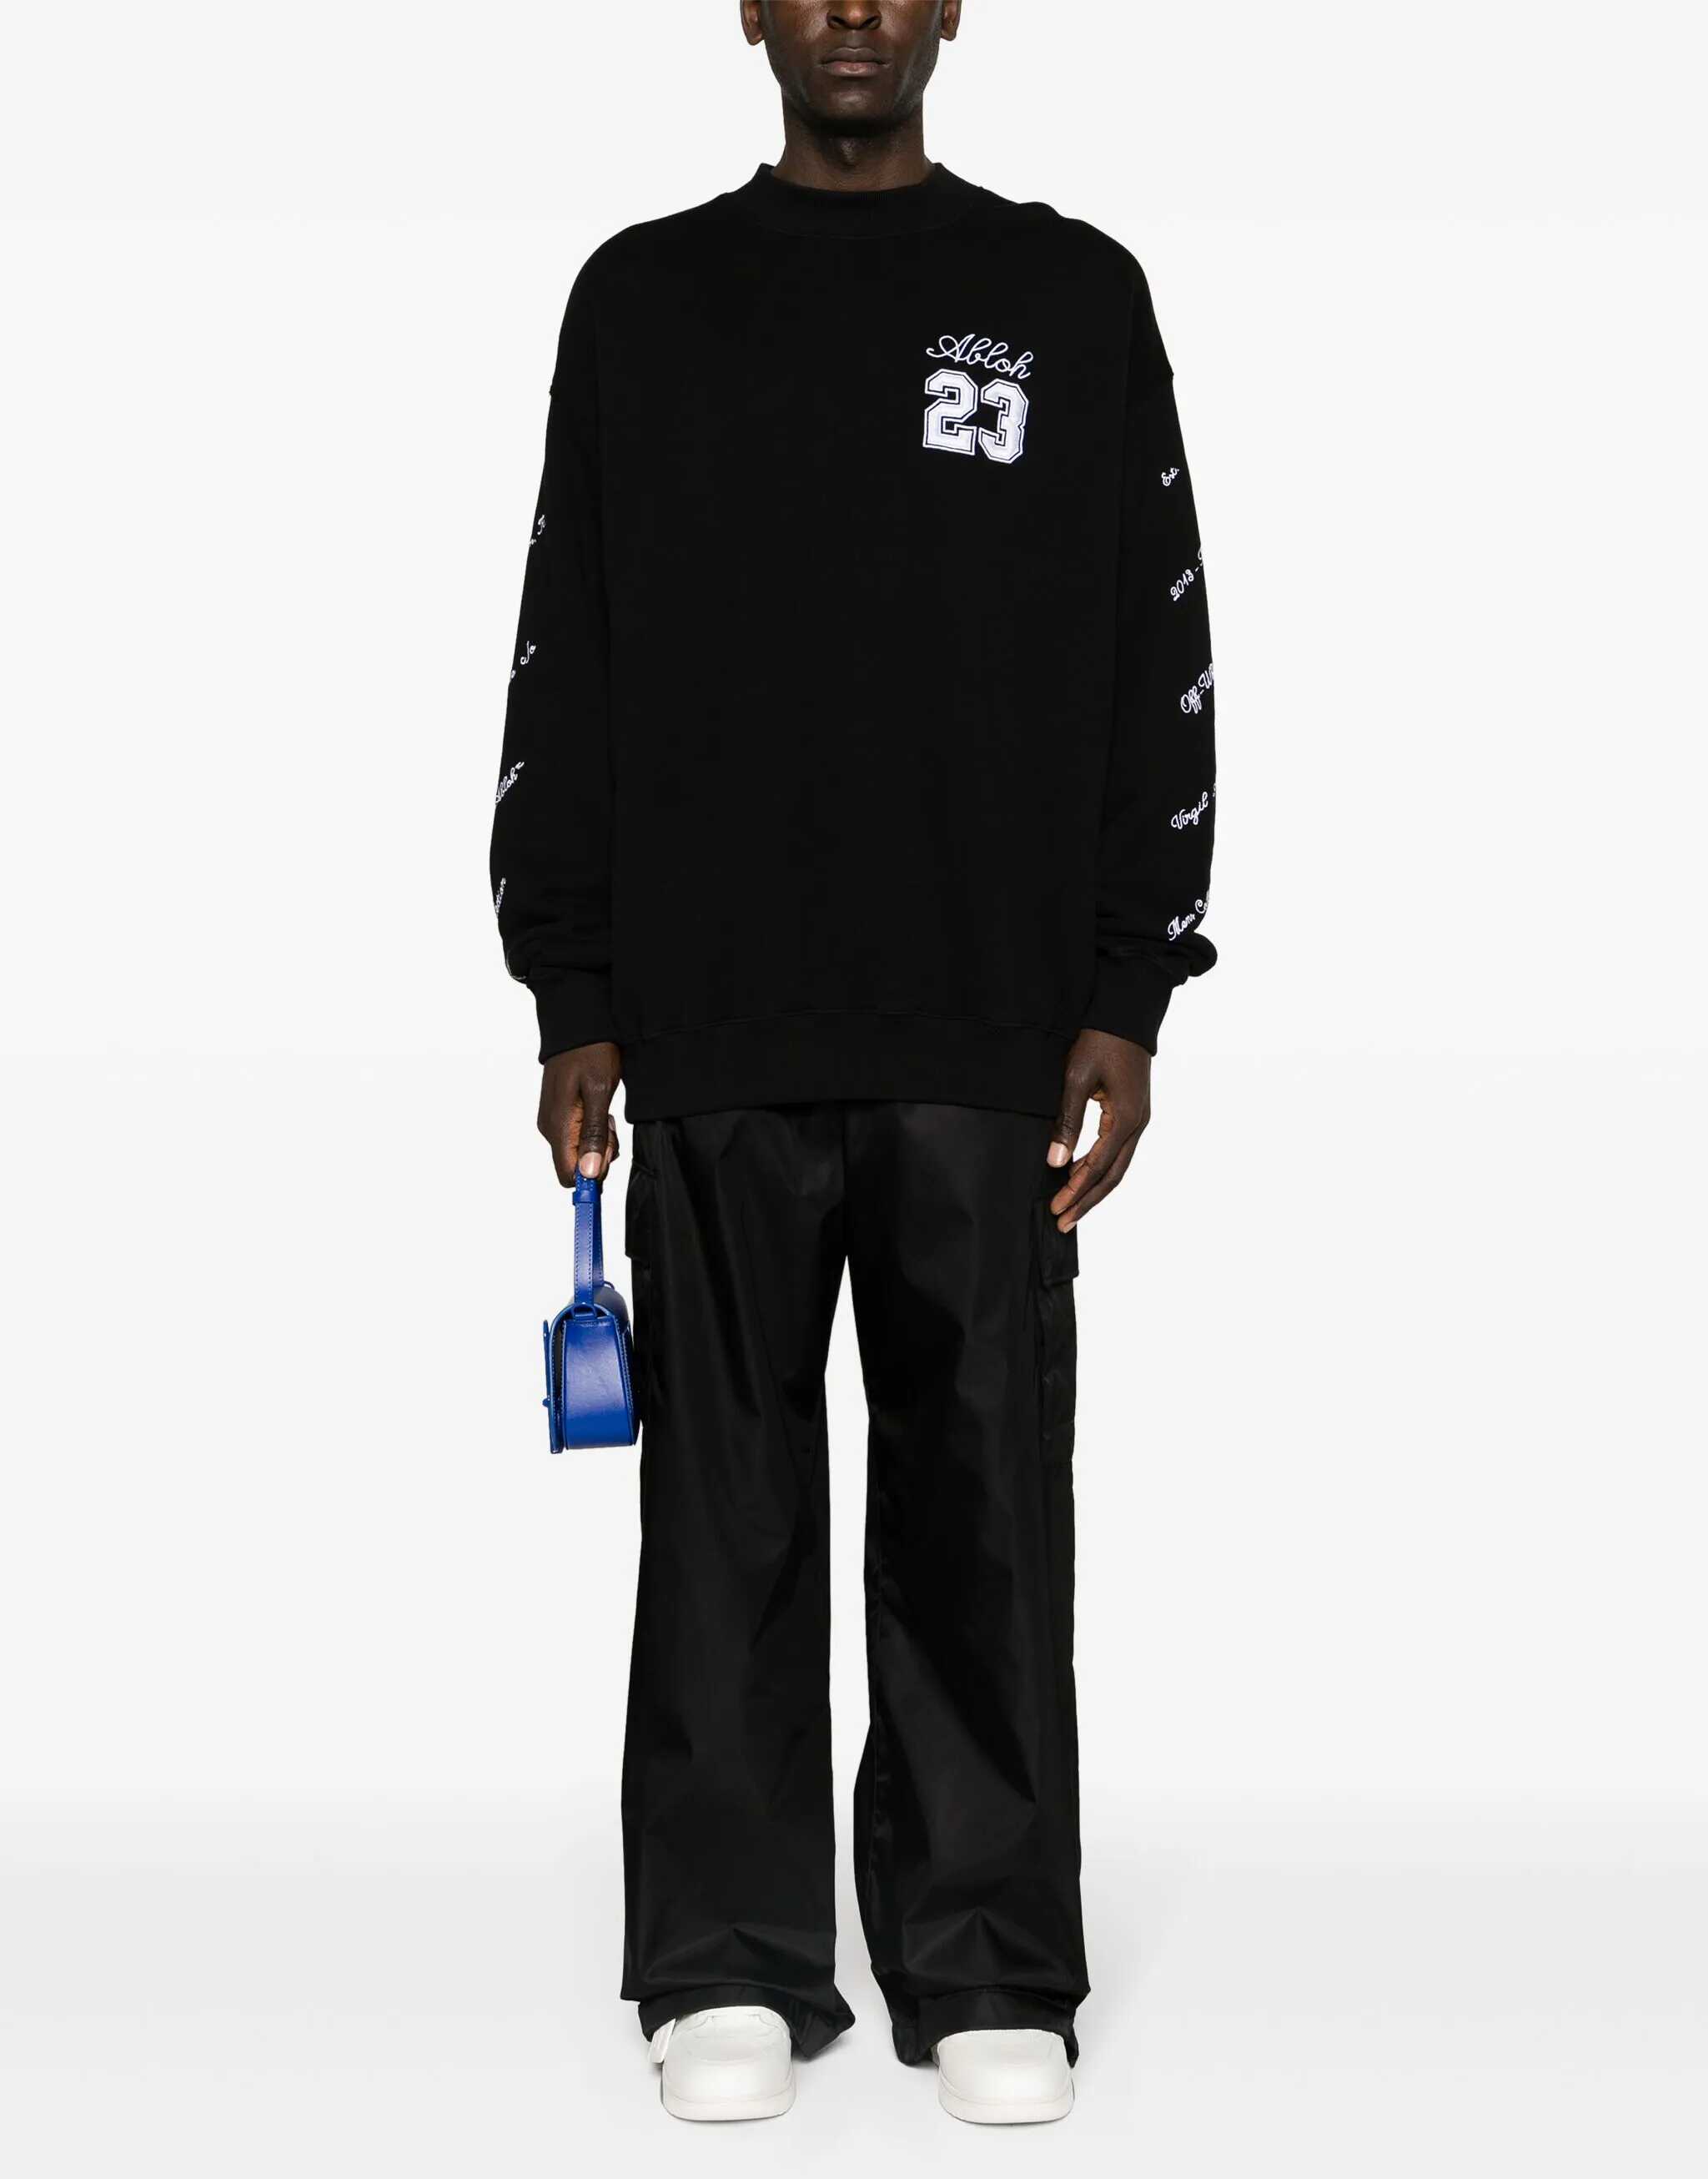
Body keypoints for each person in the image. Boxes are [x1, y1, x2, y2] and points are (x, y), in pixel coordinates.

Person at [489, 0, 1216, 2128]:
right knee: (721, 1507)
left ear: (953, 4)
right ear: (748, 5)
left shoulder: (1066, 298)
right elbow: (565, 644)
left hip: (985, 1019)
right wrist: (572, 987)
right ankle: (726, 1955)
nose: (854, 14)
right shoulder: (643, 301)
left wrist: (1127, 987)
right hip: (713, 1011)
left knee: (981, 1495)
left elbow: (1157, 643)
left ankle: (984, 1954)